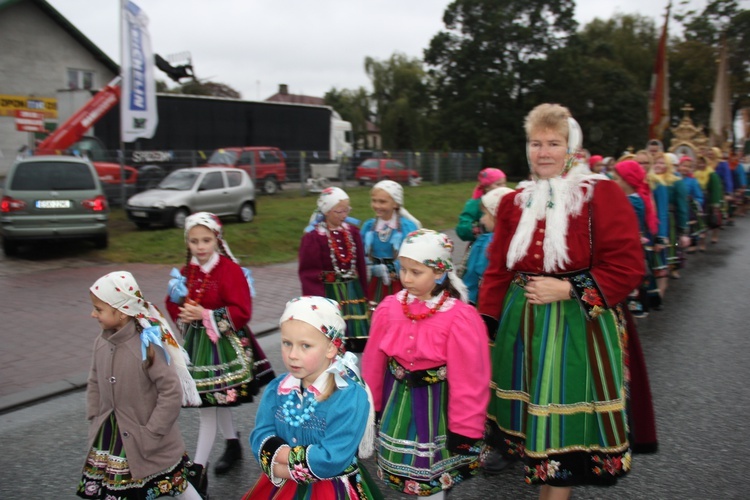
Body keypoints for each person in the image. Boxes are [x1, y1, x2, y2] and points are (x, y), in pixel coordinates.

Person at [478, 104, 644, 499]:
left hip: (576, 325)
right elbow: (499, 268)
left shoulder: (600, 194)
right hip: (521, 324)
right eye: (536, 143)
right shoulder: (515, 200)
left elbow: (628, 264)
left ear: (572, 148)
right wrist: (487, 323)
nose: (544, 152)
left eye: (554, 143)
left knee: (559, 437)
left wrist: (569, 289)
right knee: (534, 429)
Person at [362, 229, 490, 499]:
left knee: (432, 476)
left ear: (440, 273)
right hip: (398, 403)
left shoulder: (459, 318)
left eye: (415, 272)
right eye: (402, 269)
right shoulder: (388, 308)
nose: (406, 278)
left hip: (437, 409)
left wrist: (465, 428)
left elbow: (470, 378)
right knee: (408, 473)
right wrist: (369, 408)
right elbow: (373, 362)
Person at [77, 271, 204, 500]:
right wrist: (95, 414)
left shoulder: (148, 345)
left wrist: (152, 431)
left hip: (148, 436)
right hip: (111, 434)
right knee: (120, 491)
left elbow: (170, 391)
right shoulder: (101, 342)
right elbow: (94, 378)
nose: (93, 314)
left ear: (122, 311)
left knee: (176, 484)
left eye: (99, 309)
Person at [243, 296, 382, 500]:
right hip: (280, 487)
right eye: (287, 343)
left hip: (331, 489)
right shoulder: (278, 389)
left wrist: (281, 464)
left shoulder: (349, 396)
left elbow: (332, 457)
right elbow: (260, 433)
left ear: (331, 348)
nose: (292, 354)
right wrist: (283, 461)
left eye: (305, 346)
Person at [165, 212, 259, 496]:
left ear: (217, 239)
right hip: (198, 346)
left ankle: (197, 471)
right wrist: (178, 305)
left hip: (224, 348)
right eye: (194, 241)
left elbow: (242, 311)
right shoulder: (186, 272)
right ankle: (232, 444)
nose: (200, 246)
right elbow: (174, 307)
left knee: (209, 408)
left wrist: (205, 313)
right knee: (215, 402)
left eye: (206, 240)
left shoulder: (228, 270)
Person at [298, 187, 370, 352]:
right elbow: (308, 271)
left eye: (347, 210)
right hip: (330, 290)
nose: (344, 214)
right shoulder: (315, 237)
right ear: (327, 211)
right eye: (340, 211)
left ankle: (356, 341)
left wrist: (364, 291)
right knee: (333, 323)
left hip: (352, 288)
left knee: (356, 330)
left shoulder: (352, 232)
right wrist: (316, 297)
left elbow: (360, 263)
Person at [361, 179, 422, 306]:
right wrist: (369, 267)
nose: (377, 205)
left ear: (395, 203)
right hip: (374, 279)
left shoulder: (406, 227)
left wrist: (392, 268)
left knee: (398, 309)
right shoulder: (369, 227)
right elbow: (361, 251)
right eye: (374, 201)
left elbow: (412, 256)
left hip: (399, 280)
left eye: (382, 202)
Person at [462, 186, 514, 305]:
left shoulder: (484, 243)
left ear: (498, 215)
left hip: (483, 302)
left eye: (485, 214)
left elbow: (471, 278)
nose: (482, 220)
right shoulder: (519, 242)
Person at [455, 167, 507, 244]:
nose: (503, 187)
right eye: (498, 184)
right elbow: (462, 227)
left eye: (504, 183)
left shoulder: (506, 201)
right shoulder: (476, 203)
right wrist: (479, 229)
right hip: (482, 245)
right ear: (486, 187)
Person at [694, 154, 724, 249]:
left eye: (703, 163)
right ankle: (700, 242)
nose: (701, 165)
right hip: (698, 201)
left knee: (709, 221)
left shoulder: (712, 174)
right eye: (699, 163)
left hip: (708, 201)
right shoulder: (695, 174)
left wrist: (715, 204)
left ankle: (706, 241)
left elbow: (716, 190)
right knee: (700, 221)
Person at [676, 155, 706, 253]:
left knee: (690, 228)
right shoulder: (674, 178)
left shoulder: (692, 181)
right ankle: (676, 245)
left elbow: (699, 197)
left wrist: (693, 202)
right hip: (676, 209)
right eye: (684, 165)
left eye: (688, 166)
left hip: (689, 209)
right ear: (679, 166)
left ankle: (692, 243)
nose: (685, 168)